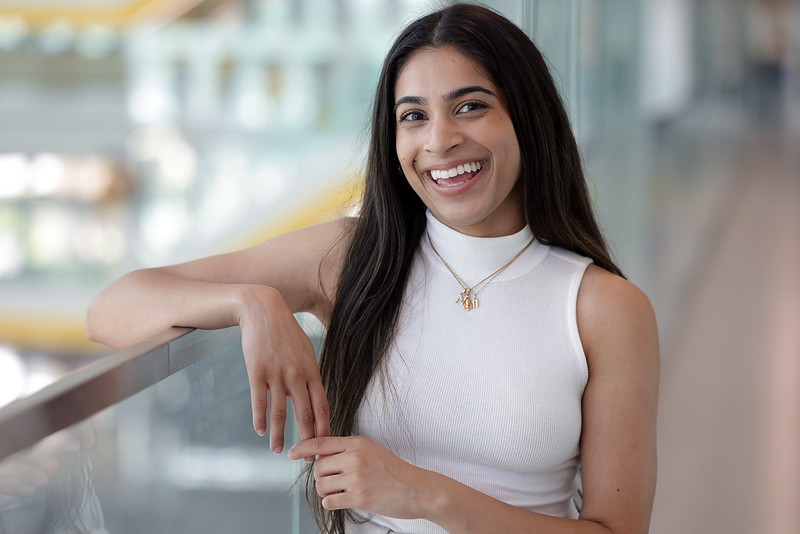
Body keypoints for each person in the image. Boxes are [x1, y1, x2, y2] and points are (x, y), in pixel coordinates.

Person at [86, 4, 659, 533]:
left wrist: (427, 496)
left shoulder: (603, 308)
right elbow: (110, 309)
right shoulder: (353, 256)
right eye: (413, 116)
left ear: (526, 120)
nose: (440, 140)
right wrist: (249, 301)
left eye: (470, 106)